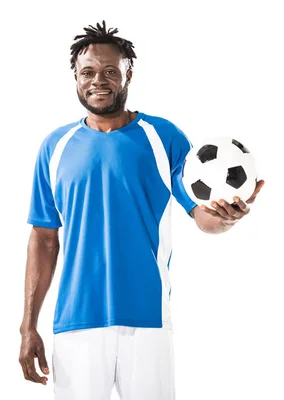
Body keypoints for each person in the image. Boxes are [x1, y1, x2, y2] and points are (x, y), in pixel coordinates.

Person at [18, 21, 264, 400]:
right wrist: (27, 326)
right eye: (88, 72)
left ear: (128, 74)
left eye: (110, 71)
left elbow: (201, 215)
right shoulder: (55, 147)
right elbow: (43, 239)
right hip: (76, 322)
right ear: (75, 77)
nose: (98, 80)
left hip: (148, 317)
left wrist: (226, 217)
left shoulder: (163, 137)